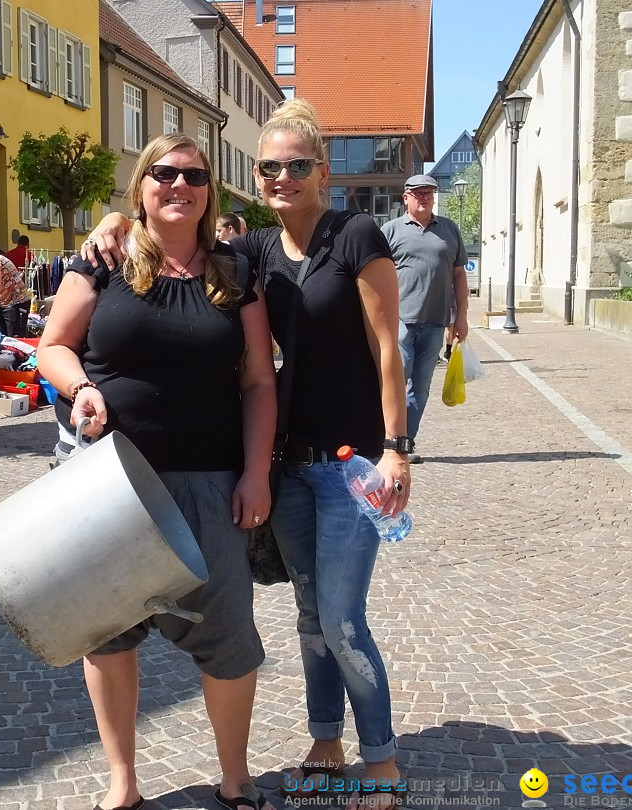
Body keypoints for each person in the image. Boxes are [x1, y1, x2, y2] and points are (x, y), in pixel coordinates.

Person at [83, 99, 412, 810]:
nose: (282, 176)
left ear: (321, 171)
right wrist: (113, 222)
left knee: (342, 615)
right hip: (290, 462)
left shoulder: (356, 236)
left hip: (351, 460)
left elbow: (390, 349)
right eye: (270, 167)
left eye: (297, 165)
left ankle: (380, 759)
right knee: (307, 614)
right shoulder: (257, 251)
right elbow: (175, 237)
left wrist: (397, 449)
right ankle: (325, 741)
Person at [38, 132, 277, 810]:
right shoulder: (103, 260)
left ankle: (235, 775)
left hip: (210, 482)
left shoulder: (235, 272)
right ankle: (123, 782)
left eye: (193, 176)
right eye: (163, 174)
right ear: (141, 186)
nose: (179, 185)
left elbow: (259, 382)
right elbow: (51, 347)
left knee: (229, 637)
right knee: (108, 638)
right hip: (109, 482)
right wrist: (79, 387)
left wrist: (255, 473)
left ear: (209, 192)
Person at [380, 175, 468, 463]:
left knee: (421, 385)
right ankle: (387, 439)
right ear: (405, 197)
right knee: (395, 380)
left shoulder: (449, 230)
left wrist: (461, 317)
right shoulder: (390, 231)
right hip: (399, 321)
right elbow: (376, 278)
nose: (425, 197)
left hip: (435, 321)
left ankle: (406, 442)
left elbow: (458, 276)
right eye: (418, 193)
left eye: (429, 193)